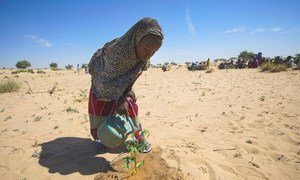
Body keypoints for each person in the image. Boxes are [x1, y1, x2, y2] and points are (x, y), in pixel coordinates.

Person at [88, 17, 164, 154]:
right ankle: (102, 139)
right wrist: (120, 99)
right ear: (136, 39)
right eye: (147, 49)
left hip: (121, 85)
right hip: (102, 84)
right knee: (101, 112)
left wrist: (127, 90)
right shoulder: (116, 54)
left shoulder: (143, 57)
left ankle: (139, 138)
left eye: (154, 52)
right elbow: (104, 80)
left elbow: (134, 73)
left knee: (131, 106)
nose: (149, 54)